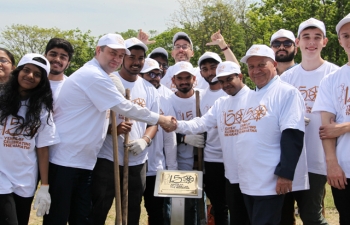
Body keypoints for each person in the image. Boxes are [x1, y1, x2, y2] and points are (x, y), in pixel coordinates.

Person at [43, 33, 176, 225]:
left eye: (121, 55)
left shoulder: (105, 75)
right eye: (112, 53)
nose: (117, 59)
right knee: (58, 217)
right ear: (98, 50)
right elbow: (124, 107)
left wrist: (144, 138)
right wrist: (161, 118)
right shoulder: (93, 75)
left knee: (81, 218)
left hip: (85, 161)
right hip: (66, 160)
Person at [167, 61, 250, 225]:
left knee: (243, 209)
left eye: (229, 79)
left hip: (243, 164)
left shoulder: (254, 98)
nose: (225, 84)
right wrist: (179, 129)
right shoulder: (221, 103)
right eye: (222, 81)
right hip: (191, 163)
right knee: (211, 208)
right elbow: (201, 123)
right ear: (173, 80)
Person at [91, 37, 160, 225]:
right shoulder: (108, 81)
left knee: (131, 209)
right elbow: (94, 118)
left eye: (140, 58)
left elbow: (154, 121)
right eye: (131, 57)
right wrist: (112, 129)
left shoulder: (149, 88)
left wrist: (145, 140)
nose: (136, 62)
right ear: (122, 58)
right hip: (108, 157)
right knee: (99, 207)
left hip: (137, 160)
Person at [239, 44, 307, 225]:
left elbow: (293, 135)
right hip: (249, 181)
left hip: (270, 181)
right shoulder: (251, 96)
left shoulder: (286, 92)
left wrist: (286, 174)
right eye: (251, 67)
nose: (256, 71)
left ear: (274, 64)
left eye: (261, 64)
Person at [280, 18, 339, 225]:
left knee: (311, 216)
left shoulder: (335, 74)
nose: (311, 42)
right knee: (283, 216)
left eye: (317, 37)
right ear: (297, 42)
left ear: (325, 41)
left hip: (319, 159)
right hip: (290, 159)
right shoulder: (287, 78)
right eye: (306, 37)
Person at [0, 53, 59, 225]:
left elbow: (42, 149)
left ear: (42, 81)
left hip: (26, 180)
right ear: (18, 71)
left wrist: (45, 187)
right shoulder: (1, 99)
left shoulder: (42, 110)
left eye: (37, 74)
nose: (30, 76)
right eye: (26, 70)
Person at [196, 30, 240, 225]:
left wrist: (223, 45)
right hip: (212, 158)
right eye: (205, 69)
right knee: (218, 204)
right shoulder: (200, 95)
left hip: (234, 156)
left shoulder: (231, 91)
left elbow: (236, 67)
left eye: (213, 67)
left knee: (237, 203)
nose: (210, 72)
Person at [312, 12, 350, 225]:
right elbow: (326, 128)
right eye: (346, 35)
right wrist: (332, 163)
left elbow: (336, 127)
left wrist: (344, 127)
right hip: (345, 167)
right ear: (340, 40)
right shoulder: (332, 80)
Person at [139, 58, 177, 225]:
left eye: (158, 74)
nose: (155, 78)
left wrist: (172, 167)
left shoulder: (166, 100)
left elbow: (169, 139)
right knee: (131, 208)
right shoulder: (133, 96)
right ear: (140, 75)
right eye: (151, 74)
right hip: (133, 165)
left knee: (157, 213)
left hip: (156, 168)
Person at [44, 38, 74, 103]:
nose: (57, 59)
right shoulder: (32, 81)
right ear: (45, 56)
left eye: (63, 57)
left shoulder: (72, 88)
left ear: (68, 64)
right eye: (53, 54)